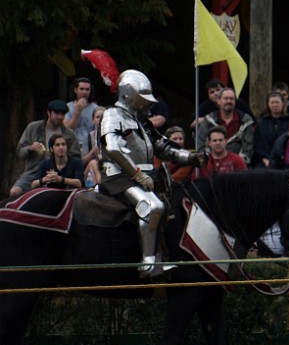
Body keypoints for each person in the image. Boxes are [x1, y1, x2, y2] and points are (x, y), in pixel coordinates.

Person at [99, 70, 206, 273]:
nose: (147, 104)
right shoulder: (112, 114)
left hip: (148, 176)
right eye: (143, 99)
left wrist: (190, 157)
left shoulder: (142, 121)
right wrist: (136, 174)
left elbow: (164, 148)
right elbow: (113, 148)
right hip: (120, 176)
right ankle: (149, 264)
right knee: (153, 207)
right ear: (129, 95)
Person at [10, 100, 82, 197]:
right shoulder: (33, 128)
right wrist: (30, 148)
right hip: (33, 172)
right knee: (15, 192)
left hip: (61, 173)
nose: (60, 117)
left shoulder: (69, 134)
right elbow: (19, 152)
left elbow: (77, 157)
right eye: (57, 113)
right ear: (48, 113)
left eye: (63, 114)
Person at [196, 87, 254, 163]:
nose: (228, 101)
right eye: (226, 98)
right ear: (219, 101)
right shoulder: (208, 121)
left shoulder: (246, 121)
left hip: (237, 167)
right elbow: (201, 144)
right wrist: (209, 163)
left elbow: (248, 148)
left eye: (231, 99)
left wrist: (237, 164)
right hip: (212, 165)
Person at [252, 91, 289, 168]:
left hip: (286, 159)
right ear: (268, 105)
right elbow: (258, 145)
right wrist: (265, 159)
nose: (275, 105)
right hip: (265, 160)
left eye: (277, 102)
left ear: (283, 104)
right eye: (272, 102)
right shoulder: (261, 123)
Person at [64, 76, 98, 156]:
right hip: (72, 147)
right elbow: (67, 130)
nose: (84, 92)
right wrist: (77, 112)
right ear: (75, 90)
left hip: (90, 147)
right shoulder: (68, 107)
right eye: (81, 89)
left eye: (87, 89)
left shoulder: (95, 108)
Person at [82, 105, 107, 189]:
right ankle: (100, 185)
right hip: (90, 171)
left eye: (103, 116)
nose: (100, 119)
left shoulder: (112, 136)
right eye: (97, 117)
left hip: (107, 168)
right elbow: (82, 162)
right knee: (93, 163)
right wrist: (92, 153)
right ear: (93, 120)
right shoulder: (88, 137)